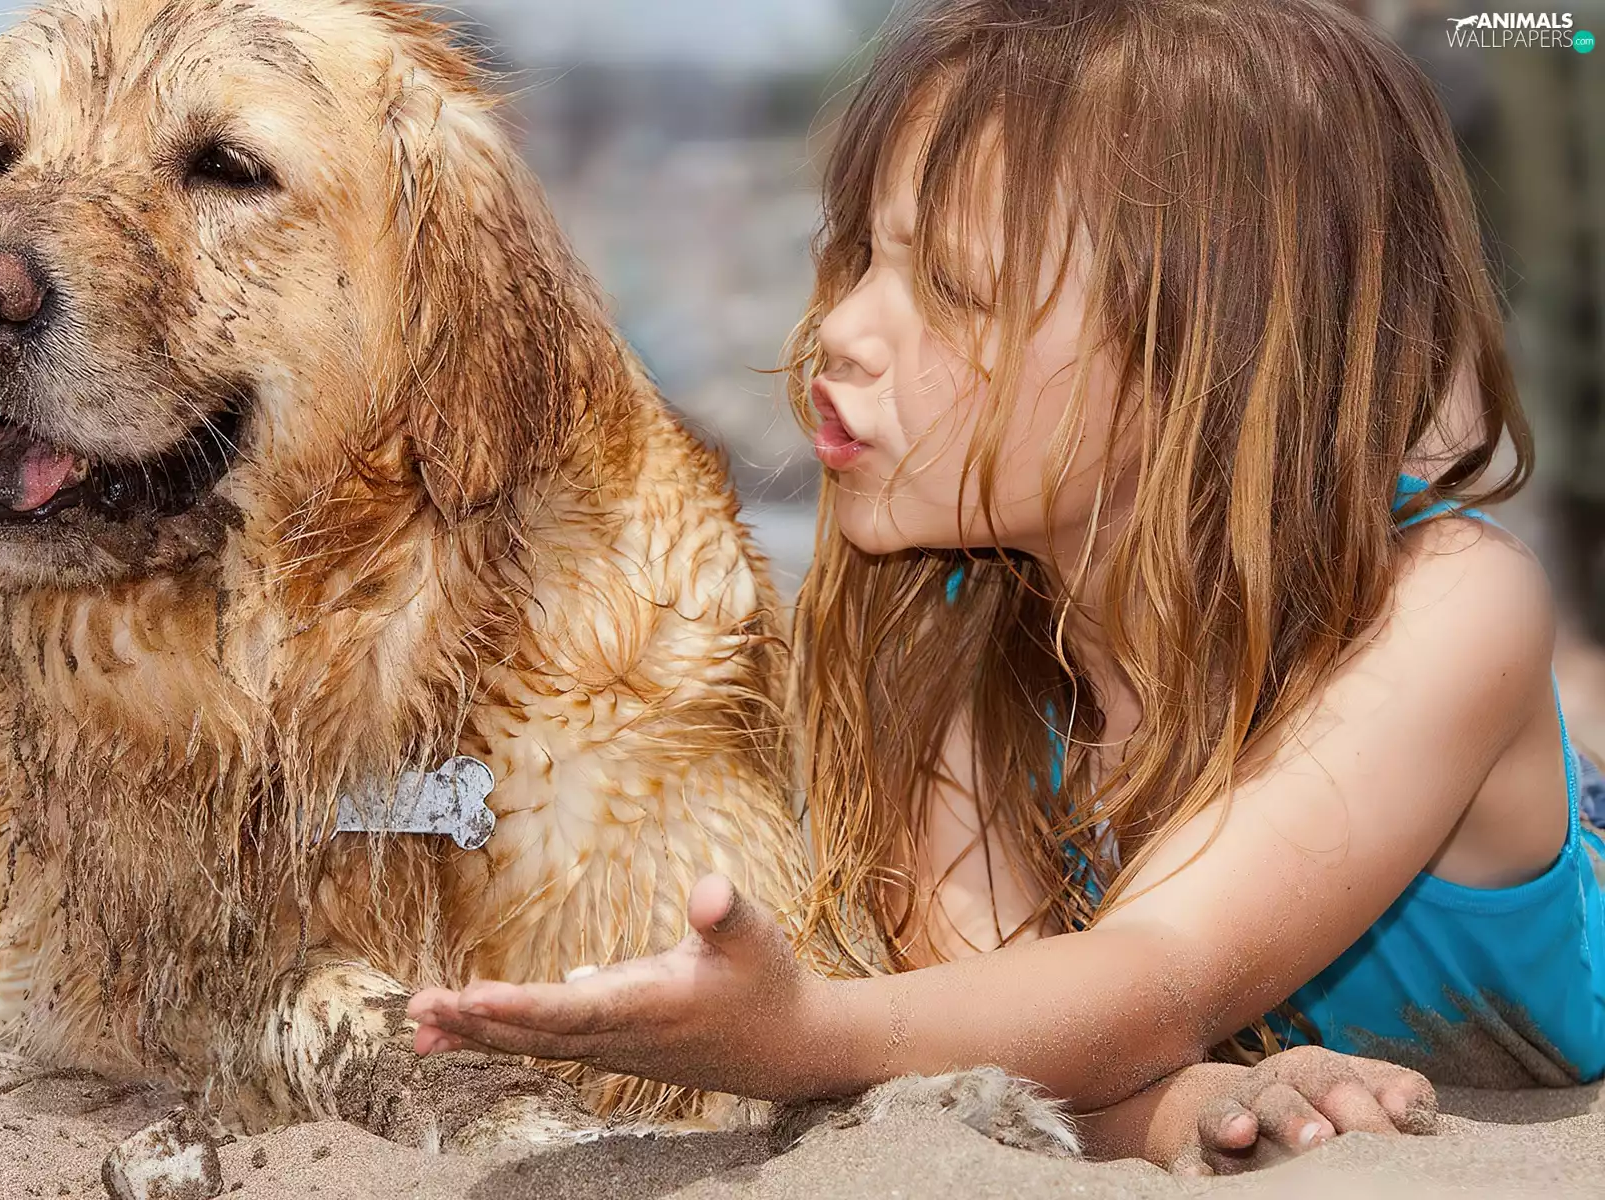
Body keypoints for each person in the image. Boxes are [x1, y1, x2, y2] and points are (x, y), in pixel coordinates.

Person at [410, 0, 1605, 1174]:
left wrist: (798, 1033)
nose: (840, 329)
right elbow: (1013, 1040)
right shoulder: (957, 623)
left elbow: (1151, 980)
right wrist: (1199, 1099)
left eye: (954, 290)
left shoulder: (1448, 600)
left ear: (1210, 351)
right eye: (861, 257)